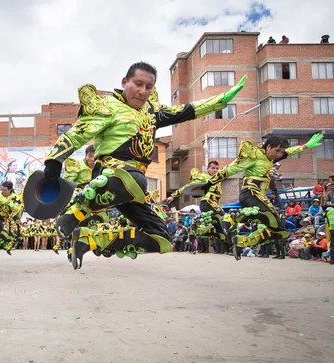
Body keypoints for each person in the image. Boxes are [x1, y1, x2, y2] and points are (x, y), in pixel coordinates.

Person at [42, 61, 247, 269]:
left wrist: (221, 100)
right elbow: (79, 132)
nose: (142, 91)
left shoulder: (152, 112)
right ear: (125, 82)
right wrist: (55, 159)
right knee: (137, 180)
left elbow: (186, 111)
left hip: (133, 185)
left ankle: (89, 240)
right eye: (138, 84)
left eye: (148, 87)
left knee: (161, 237)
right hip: (109, 175)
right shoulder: (108, 107)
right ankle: (74, 214)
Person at [201, 134, 324, 260]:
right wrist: (208, 184)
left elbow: (287, 153)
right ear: (268, 146)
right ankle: (232, 218)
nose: (279, 154)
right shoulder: (253, 156)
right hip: (251, 194)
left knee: (281, 231)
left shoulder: (270, 158)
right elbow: (229, 170)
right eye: (277, 151)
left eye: (280, 151)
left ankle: (241, 242)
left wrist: (305, 146)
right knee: (267, 215)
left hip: (260, 196)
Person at [167, 160, 229, 252]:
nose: (215, 170)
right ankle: (195, 227)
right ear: (207, 169)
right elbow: (188, 186)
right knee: (224, 218)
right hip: (208, 203)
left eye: (217, 168)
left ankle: (226, 248)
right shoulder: (204, 176)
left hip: (213, 204)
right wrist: (173, 196)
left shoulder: (218, 178)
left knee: (220, 228)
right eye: (213, 168)